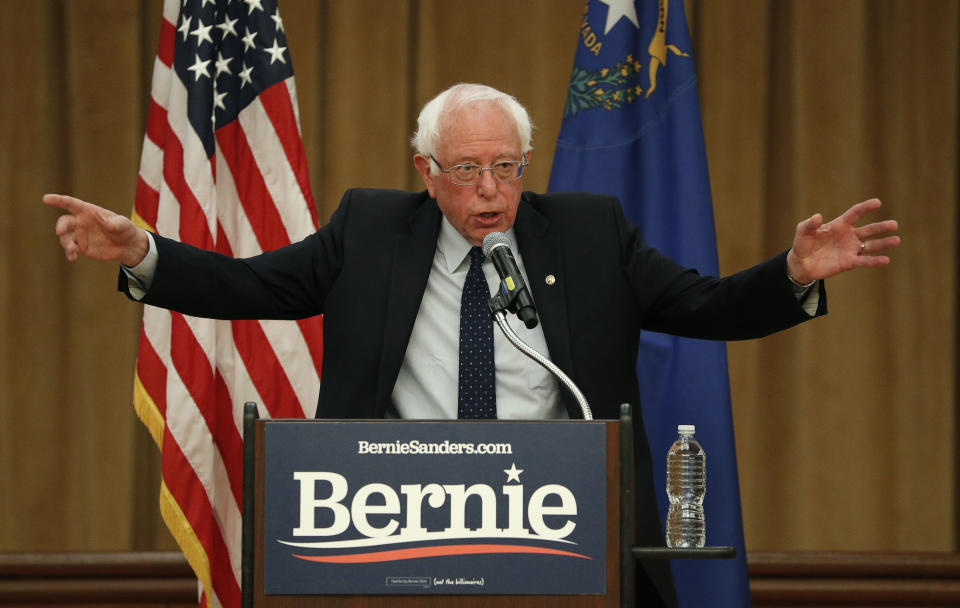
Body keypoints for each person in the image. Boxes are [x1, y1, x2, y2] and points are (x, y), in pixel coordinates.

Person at [43, 83, 900, 606]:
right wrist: (144, 253)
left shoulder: (590, 233)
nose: (492, 192)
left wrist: (790, 272)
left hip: (559, 532)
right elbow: (252, 287)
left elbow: (703, 306)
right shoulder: (369, 230)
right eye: (467, 170)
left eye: (508, 167)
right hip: (395, 535)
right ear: (425, 169)